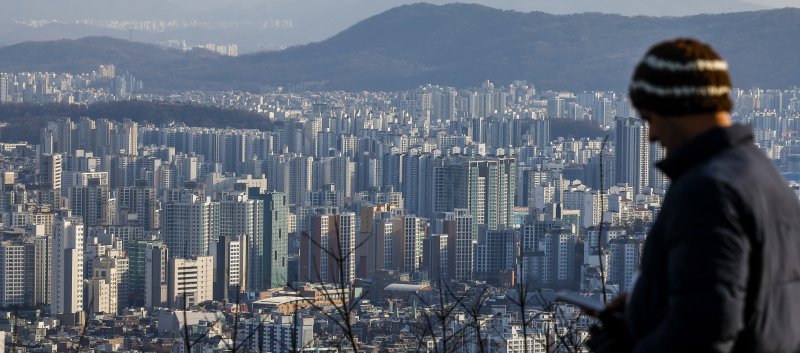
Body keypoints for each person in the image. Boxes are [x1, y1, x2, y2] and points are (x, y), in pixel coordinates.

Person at [591, 38, 800, 353]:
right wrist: (645, 305)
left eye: (650, 118)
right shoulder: (762, 174)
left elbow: (702, 330)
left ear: (676, 109)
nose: (651, 135)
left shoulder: (708, 191)